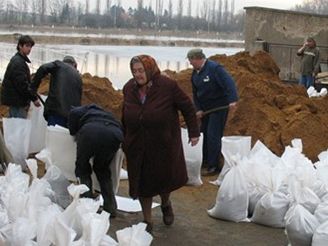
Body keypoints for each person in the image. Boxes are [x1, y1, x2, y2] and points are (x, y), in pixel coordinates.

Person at [122, 54, 200, 233]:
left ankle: (166, 203)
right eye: (134, 71)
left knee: (162, 180)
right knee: (142, 184)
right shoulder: (129, 88)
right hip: (137, 145)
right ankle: (147, 220)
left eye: (141, 70)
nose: (137, 75)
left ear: (150, 69)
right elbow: (124, 113)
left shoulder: (167, 86)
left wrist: (194, 132)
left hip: (162, 144)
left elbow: (187, 107)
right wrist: (124, 138)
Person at [187, 48, 238, 176]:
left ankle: (213, 166)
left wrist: (232, 100)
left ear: (198, 58)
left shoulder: (215, 69)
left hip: (218, 108)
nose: (190, 63)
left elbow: (229, 83)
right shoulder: (195, 74)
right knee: (203, 135)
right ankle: (205, 161)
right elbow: (195, 93)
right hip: (205, 110)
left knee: (213, 135)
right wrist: (198, 109)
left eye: (191, 60)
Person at [67, 104, 123, 218]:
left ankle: (87, 206)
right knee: (102, 169)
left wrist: (73, 132)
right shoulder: (106, 114)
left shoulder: (81, 109)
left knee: (82, 167)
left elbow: (73, 116)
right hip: (114, 134)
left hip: (90, 132)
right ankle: (110, 208)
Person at [30, 56, 83, 127]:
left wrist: (33, 88)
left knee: (52, 136)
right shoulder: (78, 77)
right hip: (71, 118)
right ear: (75, 65)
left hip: (56, 113)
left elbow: (43, 68)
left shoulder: (59, 65)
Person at [1, 35, 40, 118]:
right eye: (27, 46)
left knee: (16, 126)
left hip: (16, 101)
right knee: (19, 127)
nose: (29, 49)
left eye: (30, 47)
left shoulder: (19, 60)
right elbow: (22, 85)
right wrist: (34, 99)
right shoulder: (18, 63)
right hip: (17, 102)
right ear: (20, 46)